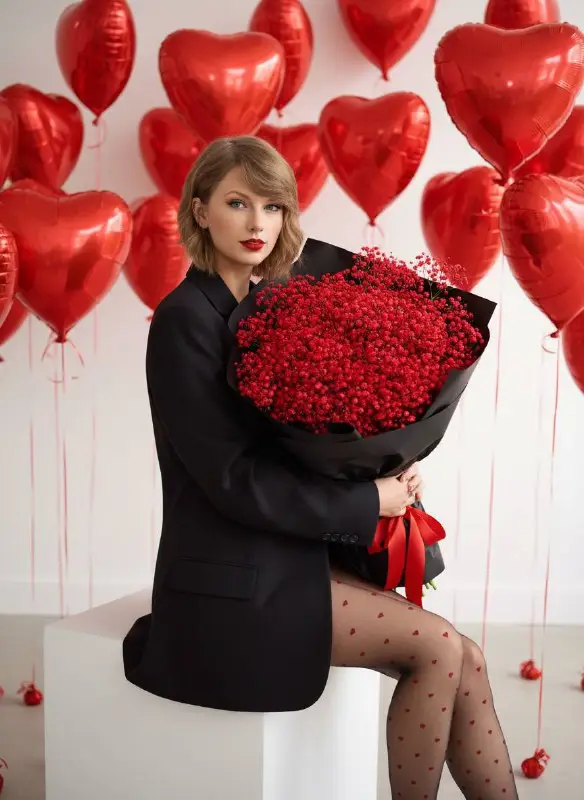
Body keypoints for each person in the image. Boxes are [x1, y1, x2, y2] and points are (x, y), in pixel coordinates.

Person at [122, 135, 519, 799]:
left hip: (291, 554)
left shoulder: (278, 303)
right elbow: (233, 480)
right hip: (234, 579)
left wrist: (383, 466)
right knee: (439, 649)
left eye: (273, 206)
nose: (257, 223)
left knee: (467, 656)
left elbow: (300, 441)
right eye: (238, 203)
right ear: (198, 211)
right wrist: (370, 502)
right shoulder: (183, 320)